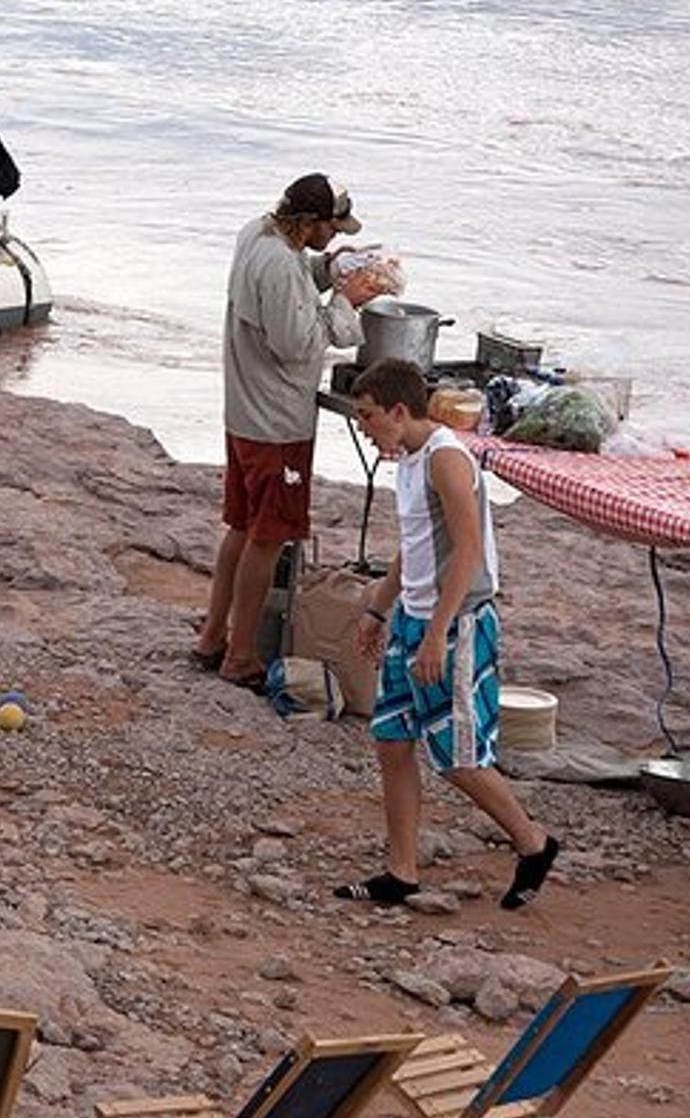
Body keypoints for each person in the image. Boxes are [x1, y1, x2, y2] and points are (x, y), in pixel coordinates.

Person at [338, 358, 560, 910]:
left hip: (456, 620)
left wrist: (437, 632)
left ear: (398, 410)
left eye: (367, 417)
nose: (363, 427)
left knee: (457, 754)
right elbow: (415, 542)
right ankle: (402, 870)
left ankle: (533, 843)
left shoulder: (445, 459)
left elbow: (468, 551)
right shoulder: (408, 457)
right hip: (414, 618)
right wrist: (377, 608)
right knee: (392, 741)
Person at [196, 172, 375, 687]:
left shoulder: (259, 234)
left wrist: (329, 269)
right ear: (310, 222)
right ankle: (241, 657)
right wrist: (348, 301)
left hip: (245, 413)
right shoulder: (277, 263)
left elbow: (293, 285)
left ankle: (213, 637)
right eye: (333, 230)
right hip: (276, 422)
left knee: (241, 525)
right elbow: (299, 341)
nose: (336, 235)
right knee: (268, 537)